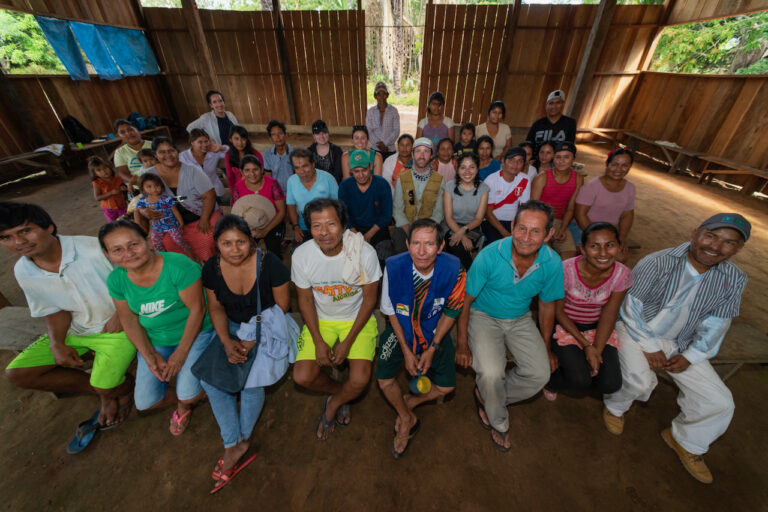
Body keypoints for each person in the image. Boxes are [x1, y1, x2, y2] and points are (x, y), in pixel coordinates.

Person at [602, 213, 750, 484]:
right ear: (695, 233)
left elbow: (718, 323)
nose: (716, 247)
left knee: (719, 401)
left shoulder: (734, 278)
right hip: (637, 331)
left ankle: (687, 441)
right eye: (711, 236)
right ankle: (615, 407)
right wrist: (648, 346)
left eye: (729, 243)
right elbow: (630, 308)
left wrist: (692, 355)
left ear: (738, 249)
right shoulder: (658, 261)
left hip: (682, 342)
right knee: (639, 380)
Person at [0, 202, 136, 452]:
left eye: (25, 231)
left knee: (105, 383)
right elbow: (53, 309)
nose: (18, 242)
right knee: (18, 374)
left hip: (117, 327)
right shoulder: (23, 270)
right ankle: (103, 389)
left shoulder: (92, 248)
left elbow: (137, 278)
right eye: (6, 237)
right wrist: (57, 342)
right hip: (78, 331)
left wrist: (122, 311)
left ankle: (115, 390)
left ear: (49, 227)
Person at [456, 200, 564, 451]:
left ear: (549, 234)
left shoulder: (553, 262)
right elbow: (465, 301)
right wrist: (462, 343)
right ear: (513, 226)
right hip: (483, 316)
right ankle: (499, 421)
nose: (526, 238)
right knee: (492, 372)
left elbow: (547, 307)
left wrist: (546, 347)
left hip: (520, 318)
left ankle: (488, 395)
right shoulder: (490, 255)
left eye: (536, 231)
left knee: (540, 374)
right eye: (522, 228)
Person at [200, 215, 294, 493]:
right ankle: (235, 442)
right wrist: (227, 341)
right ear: (216, 245)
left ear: (251, 241)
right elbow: (215, 308)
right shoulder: (211, 268)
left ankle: (239, 442)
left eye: (241, 242)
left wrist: (251, 341)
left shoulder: (270, 264)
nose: (235, 249)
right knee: (211, 380)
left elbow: (282, 307)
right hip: (230, 328)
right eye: (226, 243)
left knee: (252, 382)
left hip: (268, 323)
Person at [101, 220, 215, 435]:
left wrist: (180, 355)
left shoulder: (179, 266)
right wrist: (150, 355)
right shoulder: (116, 280)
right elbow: (129, 320)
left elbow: (198, 311)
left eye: (133, 244)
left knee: (187, 395)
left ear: (148, 241)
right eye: (117, 249)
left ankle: (185, 403)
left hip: (198, 333)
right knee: (145, 402)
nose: (128, 253)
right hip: (157, 339)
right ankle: (195, 391)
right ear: (108, 255)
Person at [291, 198, 381, 440]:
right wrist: (319, 341)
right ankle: (341, 392)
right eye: (316, 226)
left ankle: (333, 404)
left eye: (331, 224)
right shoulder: (301, 256)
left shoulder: (364, 253)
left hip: (356, 319)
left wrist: (348, 341)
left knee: (360, 379)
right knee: (302, 376)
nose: (324, 233)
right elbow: (306, 301)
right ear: (309, 228)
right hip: (322, 319)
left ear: (343, 225)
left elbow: (370, 301)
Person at [377, 219, 466, 458]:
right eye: (416, 243)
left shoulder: (455, 268)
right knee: (384, 379)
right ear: (407, 244)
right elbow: (390, 310)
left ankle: (410, 402)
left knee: (447, 386)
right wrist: (406, 350)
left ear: (440, 247)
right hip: (401, 330)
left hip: (433, 331)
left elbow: (452, 310)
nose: (422, 251)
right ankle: (407, 418)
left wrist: (433, 346)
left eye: (429, 244)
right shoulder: (394, 266)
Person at [542, 223, 632, 400]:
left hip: (596, 327)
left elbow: (609, 315)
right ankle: (551, 381)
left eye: (610, 245)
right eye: (594, 246)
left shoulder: (622, 274)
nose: (603, 253)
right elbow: (559, 312)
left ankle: (575, 366)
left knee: (611, 384)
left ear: (620, 247)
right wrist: (586, 345)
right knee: (579, 380)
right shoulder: (566, 269)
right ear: (582, 249)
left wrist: (596, 349)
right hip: (565, 325)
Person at [140, 137, 222, 262]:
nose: (168, 155)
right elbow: (142, 201)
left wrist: (204, 219)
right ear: (155, 155)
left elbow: (209, 196)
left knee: (208, 239)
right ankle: (190, 270)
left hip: (203, 215)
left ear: (177, 152)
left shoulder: (192, 170)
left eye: (171, 150)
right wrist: (144, 211)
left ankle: (211, 266)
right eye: (162, 152)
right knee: (168, 243)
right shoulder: (150, 175)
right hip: (172, 224)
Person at [575, 148, 635, 260]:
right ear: (607, 164)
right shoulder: (592, 187)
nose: (619, 169)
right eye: (615, 164)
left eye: (624, 165)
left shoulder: (630, 188)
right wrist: (595, 237)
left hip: (609, 231)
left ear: (629, 167)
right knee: (592, 255)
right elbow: (580, 215)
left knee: (621, 257)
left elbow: (627, 215)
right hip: (583, 228)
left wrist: (621, 237)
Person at [392, 137, 445, 254]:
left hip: (430, 228)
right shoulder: (402, 179)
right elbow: (397, 209)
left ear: (431, 156)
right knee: (400, 246)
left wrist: (425, 232)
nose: (421, 155)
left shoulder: (440, 180)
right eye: (418, 151)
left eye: (426, 151)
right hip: (406, 227)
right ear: (412, 155)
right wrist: (409, 230)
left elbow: (439, 212)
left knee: (434, 250)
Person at [531, 141, 583, 259]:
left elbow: (570, 208)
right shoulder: (542, 177)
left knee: (569, 255)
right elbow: (533, 208)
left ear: (574, 158)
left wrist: (563, 229)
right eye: (558, 157)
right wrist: (546, 228)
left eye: (566, 157)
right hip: (540, 220)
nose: (561, 161)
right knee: (546, 255)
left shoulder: (578, 179)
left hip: (560, 222)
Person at [442, 152, 489, 269]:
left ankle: (466, 275)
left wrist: (463, 231)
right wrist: (462, 236)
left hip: (472, 226)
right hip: (451, 225)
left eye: (471, 167)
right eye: (463, 167)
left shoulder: (483, 188)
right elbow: (448, 217)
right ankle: (471, 272)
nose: (467, 172)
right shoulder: (449, 187)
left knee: (458, 248)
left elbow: (478, 219)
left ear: (477, 169)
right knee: (455, 245)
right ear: (457, 169)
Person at [231, 155, 286, 255]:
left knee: (274, 253)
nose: (252, 174)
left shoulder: (272, 183)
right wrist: (248, 232)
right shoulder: (238, 188)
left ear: (261, 169)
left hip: (273, 222)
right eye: (247, 170)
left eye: (255, 169)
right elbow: (237, 214)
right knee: (245, 252)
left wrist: (266, 230)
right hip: (249, 225)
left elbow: (282, 211)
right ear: (242, 172)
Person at [338, 150, 393, 249]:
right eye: (356, 171)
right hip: (353, 228)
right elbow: (343, 213)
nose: (361, 175)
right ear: (351, 170)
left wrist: (369, 234)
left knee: (384, 252)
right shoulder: (345, 186)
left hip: (377, 227)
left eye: (364, 170)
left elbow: (387, 215)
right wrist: (355, 232)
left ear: (370, 166)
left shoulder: (382, 184)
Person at [286, 148, 339, 244]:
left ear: (313, 164)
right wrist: (296, 226)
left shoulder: (328, 179)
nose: (302, 171)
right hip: (303, 228)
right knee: (299, 254)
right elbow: (291, 205)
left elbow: (338, 205)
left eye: (305, 166)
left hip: (326, 226)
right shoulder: (291, 181)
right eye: (297, 168)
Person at [135, 174, 193, 257]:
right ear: (142, 188)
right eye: (149, 187)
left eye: (156, 186)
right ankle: (165, 257)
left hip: (172, 225)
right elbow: (138, 209)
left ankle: (191, 254)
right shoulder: (143, 199)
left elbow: (175, 211)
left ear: (161, 186)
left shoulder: (166, 198)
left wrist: (181, 223)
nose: (154, 189)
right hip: (157, 227)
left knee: (178, 240)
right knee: (156, 243)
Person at [482, 146, 531, 244]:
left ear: (523, 165)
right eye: (511, 160)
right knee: (500, 246)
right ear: (503, 161)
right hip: (492, 221)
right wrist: (505, 233)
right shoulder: (491, 180)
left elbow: (524, 208)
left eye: (520, 161)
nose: (515, 164)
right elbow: (487, 213)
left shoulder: (525, 179)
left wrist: (518, 227)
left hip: (514, 222)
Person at [179, 128, 229, 202]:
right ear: (192, 142)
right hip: (194, 195)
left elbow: (230, 152)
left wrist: (221, 147)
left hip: (214, 191)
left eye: (206, 141)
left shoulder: (213, 153)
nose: (205, 145)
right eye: (200, 142)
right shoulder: (182, 157)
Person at [224, 125, 265, 197]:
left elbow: (262, 174)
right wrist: (234, 194)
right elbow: (230, 178)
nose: (240, 142)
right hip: (238, 191)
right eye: (236, 139)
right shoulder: (228, 155)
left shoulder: (255, 154)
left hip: (256, 191)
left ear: (247, 139)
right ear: (231, 140)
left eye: (243, 139)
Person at [366, 81, 400, 159]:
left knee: (390, 170)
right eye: (378, 94)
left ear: (387, 95)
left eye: (384, 94)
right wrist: (380, 145)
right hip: (375, 149)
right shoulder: (370, 112)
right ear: (375, 96)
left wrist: (385, 144)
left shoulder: (393, 111)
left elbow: (396, 130)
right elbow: (369, 130)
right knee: (375, 170)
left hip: (389, 149)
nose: (381, 97)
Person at [113, 119, 151, 184]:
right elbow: (122, 173)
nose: (128, 133)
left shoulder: (153, 144)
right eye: (122, 132)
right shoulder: (120, 152)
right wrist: (142, 183)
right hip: (138, 186)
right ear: (119, 136)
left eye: (130, 129)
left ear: (137, 130)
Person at [89, 156, 127, 222]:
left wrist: (123, 188)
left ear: (109, 167)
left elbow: (125, 188)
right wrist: (111, 193)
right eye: (99, 170)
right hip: (109, 210)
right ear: (95, 173)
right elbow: (97, 197)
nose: (103, 171)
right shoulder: (96, 183)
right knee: (115, 226)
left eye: (105, 168)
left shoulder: (117, 178)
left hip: (122, 206)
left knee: (127, 222)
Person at [263, 120, 294, 195]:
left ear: (285, 135)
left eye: (280, 133)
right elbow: (268, 177)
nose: (277, 137)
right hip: (276, 193)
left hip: (293, 191)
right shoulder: (267, 154)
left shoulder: (294, 153)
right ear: (270, 139)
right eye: (273, 134)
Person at [308, 119, 344, 184]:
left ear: (328, 133)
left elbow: (339, 174)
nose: (322, 136)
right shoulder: (309, 152)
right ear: (313, 136)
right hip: (316, 187)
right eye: (318, 133)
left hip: (335, 186)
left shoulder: (337, 151)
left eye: (324, 133)